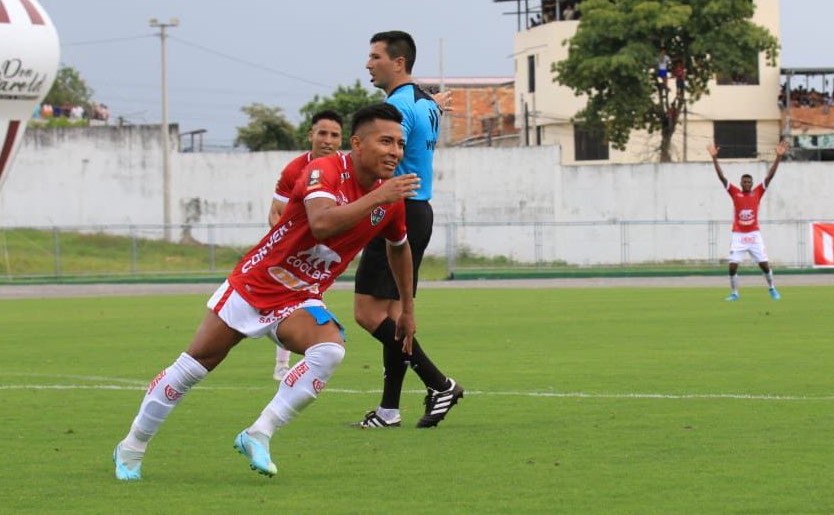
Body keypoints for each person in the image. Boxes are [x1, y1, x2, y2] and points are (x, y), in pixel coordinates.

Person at [112, 103, 420, 481]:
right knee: (193, 367)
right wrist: (379, 196)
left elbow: (399, 247)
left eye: (400, 144)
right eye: (386, 141)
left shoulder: (390, 199)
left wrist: (406, 307)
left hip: (300, 297)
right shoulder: (324, 170)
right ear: (357, 143)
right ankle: (132, 445)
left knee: (330, 350)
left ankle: (259, 432)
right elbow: (322, 224)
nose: (395, 151)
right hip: (256, 284)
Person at [354, 30, 463, 429]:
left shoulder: (397, 107)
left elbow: (373, 147)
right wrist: (436, 101)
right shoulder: (421, 101)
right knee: (396, 314)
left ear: (397, 62)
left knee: (368, 314)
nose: (368, 64)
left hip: (396, 211)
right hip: (419, 209)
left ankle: (440, 383)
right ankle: (388, 411)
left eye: (374, 56)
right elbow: (421, 115)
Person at [268, 109, 344, 380]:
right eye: (322, 133)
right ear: (310, 135)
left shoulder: (346, 171)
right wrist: (286, 246)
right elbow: (276, 211)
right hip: (288, 254)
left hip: (322, 257)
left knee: (303, 303)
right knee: (282, 304)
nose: (328, 140)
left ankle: (288, 367)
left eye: (335, 135)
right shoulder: (295, 169)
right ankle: (287, 366)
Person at [707, 140, 790, 301]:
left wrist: (778, 157)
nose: (746, 183)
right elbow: (721, 177)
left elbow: (770, 176)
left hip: (753, 235)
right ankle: (734, 293)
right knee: (732, 267)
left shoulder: (758, 192)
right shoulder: (735, 193)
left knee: (764, 265)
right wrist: (714, 158)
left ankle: (772, 288)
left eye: (749, 182)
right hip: (738, 235)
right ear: (740, 183)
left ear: (751, 184)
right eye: (744, 181)